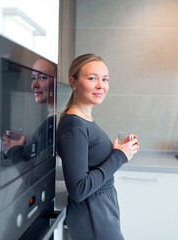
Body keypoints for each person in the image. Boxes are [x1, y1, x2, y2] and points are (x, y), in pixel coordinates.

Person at [56, 53, 140, 240]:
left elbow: (91, 164)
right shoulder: (75, 126)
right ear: (73, 82)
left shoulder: (84, 120)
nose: (101, 85)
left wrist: (118, 151)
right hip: (93, 214)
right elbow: (78, 189)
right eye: (92, 78)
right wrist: (119, 156)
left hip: (101, 210)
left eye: (105, 79)